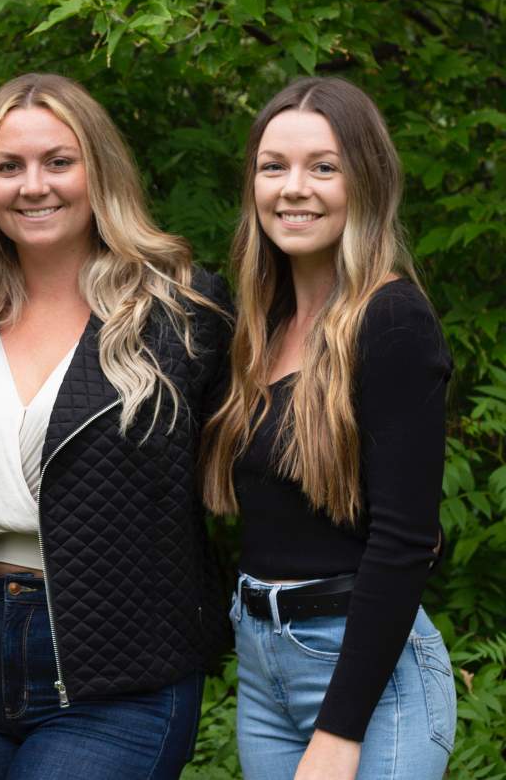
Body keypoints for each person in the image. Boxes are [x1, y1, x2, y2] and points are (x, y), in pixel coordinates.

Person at [0, 73, 232, 779]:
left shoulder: (180, 313)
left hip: (123, 667)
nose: (33, 185)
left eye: (58, 161)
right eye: (8, 166)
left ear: (97, 170)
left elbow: (256, 459)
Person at [200, 76, 457, 779]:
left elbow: (405, 540)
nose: (294, 188)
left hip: (366, 677)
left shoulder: (392, 319)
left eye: (324, 166)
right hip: (261, 663)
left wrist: (341, 732)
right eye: (273, 166)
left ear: (365, 181)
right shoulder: (259, 328)